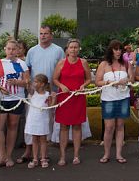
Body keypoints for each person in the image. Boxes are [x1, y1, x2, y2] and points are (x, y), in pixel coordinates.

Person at [20, 25, 64, 163]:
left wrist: (56, 90)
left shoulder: (58, 50)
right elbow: (26, 71)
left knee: (47, 124)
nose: (43, 36)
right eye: (41, 33)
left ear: (51, 35)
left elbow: (62, 69)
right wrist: (28, 87)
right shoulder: (32, 51)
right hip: (34, 95)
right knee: (31, 121)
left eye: (46, 33)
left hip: (51, 93)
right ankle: (29, 151)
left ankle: (44, 155)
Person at [0, 39, 28, 169]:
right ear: (5, 49)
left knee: (12, 126)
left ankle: (8, 156)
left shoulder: (22, 64)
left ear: (18, 50)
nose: (11, 51)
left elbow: (27, 81)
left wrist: (17, 83)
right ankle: (2, 155)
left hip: (17, 99)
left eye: (14, 49)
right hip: (0, 99)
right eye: (9, 49)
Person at [53, 38, 91, 166]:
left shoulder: (83, 62)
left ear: (79, 49)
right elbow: (54, 79)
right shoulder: (61, 63)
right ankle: (62, 156)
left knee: (77, 126)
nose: (73, 49)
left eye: (76, 47)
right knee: (63, 127)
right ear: (67, 49)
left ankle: (76, 155)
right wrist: (61, 85)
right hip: (64, 98)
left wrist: (83, 85)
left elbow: (88, 79)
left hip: (78, 98)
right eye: (71, 47)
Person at [95, 40, 130, 164]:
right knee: (109, 127)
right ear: (111, 50)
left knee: (120, 126)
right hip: (108, 99)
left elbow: (131, 79)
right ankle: (106, 154)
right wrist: (108, 83)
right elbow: (97, 82)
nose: (118, 52)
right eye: (116, 49)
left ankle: (119, 154)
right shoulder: (104, 64)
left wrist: (127, 79)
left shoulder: (125, 63)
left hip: (123, 98)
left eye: (120, 49)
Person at [24, 74, 53, 168]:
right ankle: (35, 158)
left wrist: (54, 98)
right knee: (34, 139)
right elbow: (29, 89)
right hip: (33, 119)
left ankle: (43, 158)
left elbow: (50, 106)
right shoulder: (33, 93)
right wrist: (28, 83)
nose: (34, 83)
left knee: (43, 140)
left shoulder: (47, 94)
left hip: (42, 120)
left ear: (42, 84)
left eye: (36, 81)